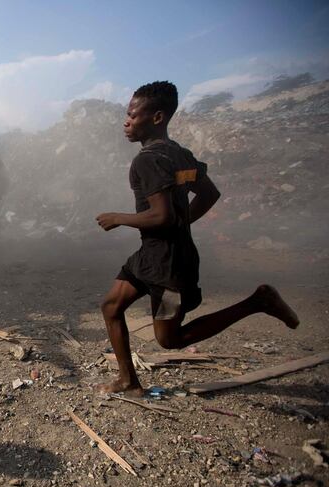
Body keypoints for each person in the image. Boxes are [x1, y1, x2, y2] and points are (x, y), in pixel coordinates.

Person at [95, 81, 300, 397]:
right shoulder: (179, 154)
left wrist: (118, 218)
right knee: (111, 305)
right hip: (151, 257)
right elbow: (208, 193)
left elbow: (161, 215)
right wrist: (181, 223)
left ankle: (258, 301)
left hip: (168, 267)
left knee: (169, 339)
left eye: (133, 115)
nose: (127, 121)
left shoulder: (147, 160)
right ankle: (128, 381)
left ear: (158, 117)